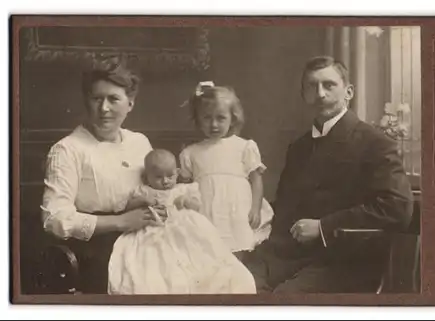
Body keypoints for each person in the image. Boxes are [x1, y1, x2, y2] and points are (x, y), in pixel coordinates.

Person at [242, 56, 414, 293]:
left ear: (349, 92)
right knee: (227, 281)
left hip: (343, 261)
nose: (320, 93)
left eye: (329, 85)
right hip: (285, 257)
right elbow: (285, 207)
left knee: (282, 302)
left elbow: (397, 208)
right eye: (312, 86)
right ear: (304, 95)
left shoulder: (376, 143)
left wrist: (324, 226)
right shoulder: (299, 147)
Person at [40, 58, 165, 293]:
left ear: (130, 103)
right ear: (86, 101)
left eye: (113, 99)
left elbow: (155, 189)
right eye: (96, 98)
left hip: (147, 235)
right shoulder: (68, 149)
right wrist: (119, 222)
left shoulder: (139, 142)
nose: (104, 108)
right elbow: (53, 217)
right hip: (99, 247)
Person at [107, 149, 256, 294]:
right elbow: (128, 207)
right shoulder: (144, 191)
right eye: (158, 177)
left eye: (170, 175)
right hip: (152, 229)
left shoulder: (183, 189)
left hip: (184, 228)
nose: (165, 181)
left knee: (199, 255)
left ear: (177, 173)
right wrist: (142, 201)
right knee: (154, 260)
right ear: (147, 177)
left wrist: (186, 201)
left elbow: (197, 205)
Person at [179, 83, 274, 260]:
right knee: (208, 250)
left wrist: (255, 208)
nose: (214, 124)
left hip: (237, 208)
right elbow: (185, 187)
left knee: (239, 247)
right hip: (206, 209)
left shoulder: (244, 146)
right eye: (207, 118)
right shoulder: (191, 152)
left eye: (221, 118)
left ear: (233, 118)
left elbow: (256, 180)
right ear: (198, 120)